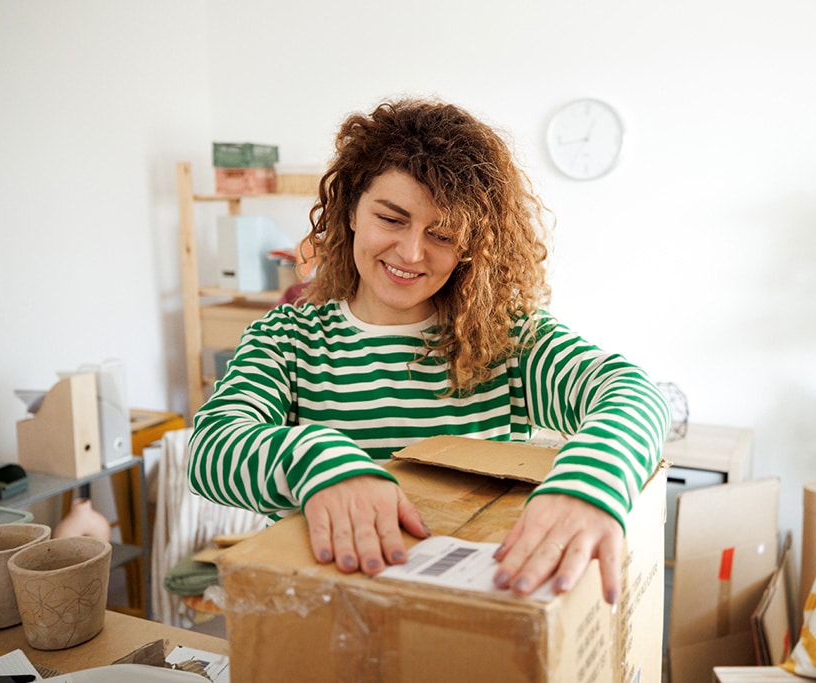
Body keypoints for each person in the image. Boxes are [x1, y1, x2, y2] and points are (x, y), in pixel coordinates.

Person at [187, 98, 669, 605]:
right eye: (392, 219)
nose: (411, 252)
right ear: (351, 210)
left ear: (470, 246)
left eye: (441, 234)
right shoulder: (288, 338)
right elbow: (210, 450)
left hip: (471, 616)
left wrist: (590, 483)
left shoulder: (508, 339)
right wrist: (317, 460)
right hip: (320, 615)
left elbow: (633, 392)